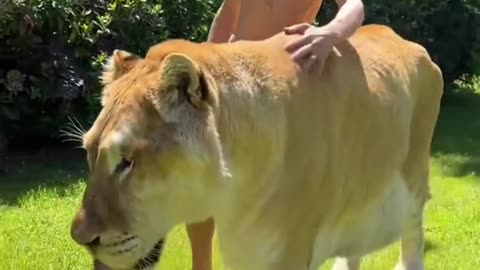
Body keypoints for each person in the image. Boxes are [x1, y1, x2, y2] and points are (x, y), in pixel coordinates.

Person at [186, 1, 365, 270]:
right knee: (203, 182)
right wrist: (208, 59)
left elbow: (355, 5)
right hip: (232, 80)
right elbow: (228, 13)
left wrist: (330, 32)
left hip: (279, 87)